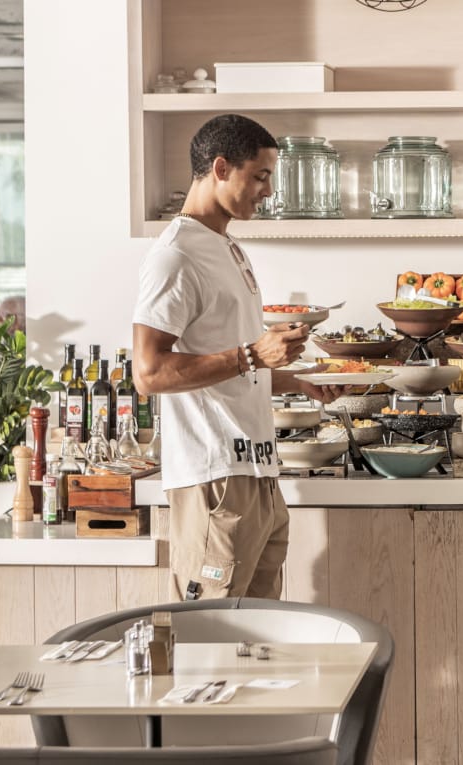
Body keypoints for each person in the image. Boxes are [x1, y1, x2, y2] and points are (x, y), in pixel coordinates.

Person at [132, 114, 342, 601]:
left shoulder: (226, 248)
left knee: (257, 647)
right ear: (221, 168)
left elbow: (237, 364)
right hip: (215, 480)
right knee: (210, 642)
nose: (267, 191)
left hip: (258, 475)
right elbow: (149, 372)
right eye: (261, 176)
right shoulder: (175, 257)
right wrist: (254, 354)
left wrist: (300, 383)